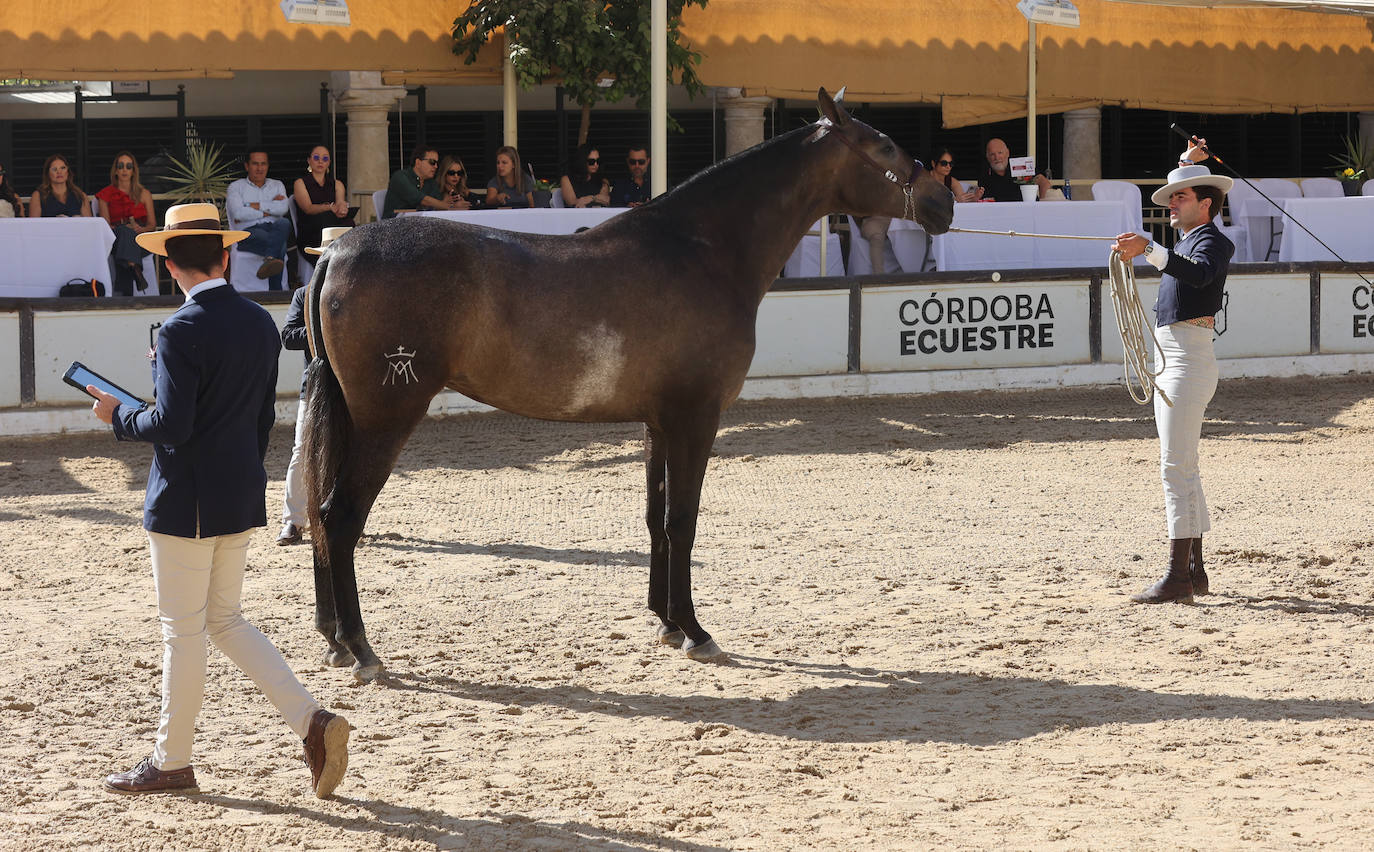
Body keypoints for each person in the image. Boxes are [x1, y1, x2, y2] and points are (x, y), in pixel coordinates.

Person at [86, 202, 351, 798]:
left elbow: (172, 425)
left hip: (187, 498)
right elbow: (261, 419)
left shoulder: (180, 330)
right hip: (236, 490)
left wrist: (118, 415)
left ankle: (172, 760)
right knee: (224, 620)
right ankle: (312, 722)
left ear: (169, 266)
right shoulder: (258, 321)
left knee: (183, 631)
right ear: (225, 256)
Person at [1112, 139, 1234, 605]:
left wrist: (1150, 249)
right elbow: (1185, 261)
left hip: (1187, 358)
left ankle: (1178, 576)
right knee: (1183, 465)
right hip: (1175, 356)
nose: (1171, 204)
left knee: (1175, 466)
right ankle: (1193, 571)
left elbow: (1199, 274)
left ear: (1206, 204)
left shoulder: (1212, 242)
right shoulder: (1191, 241)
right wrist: (1186, 165)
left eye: (1182, 197)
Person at [279, 225, 351, 546]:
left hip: (350, 385)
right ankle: (292, 521)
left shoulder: (361, 298)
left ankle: (341, 517)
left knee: (348, 452)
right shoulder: (303, 295)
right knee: (301, 450)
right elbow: (288, 337)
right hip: (320, 381)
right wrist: (326, 328)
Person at [225, 149, 291, 288]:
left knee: (284, 222)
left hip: (273, 229)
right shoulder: (236, 187)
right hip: (247, 233)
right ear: (247, 166)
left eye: (263, 164)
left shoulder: (277, 185)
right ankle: (276, 291)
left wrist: (251, 205)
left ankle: (270, 259)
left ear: (267, 166)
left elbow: (283, 208)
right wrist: (269, 209)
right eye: (255, 164)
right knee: (280, 245)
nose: (260, 168)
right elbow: (239, 213)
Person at [96, 151, 157, 295]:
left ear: (133, 171)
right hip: (117, 238)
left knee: (128, 234)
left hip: (139, 240)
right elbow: (106, 226)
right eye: (121, 166)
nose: (124, 169)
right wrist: (124, 229)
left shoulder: (144, 194)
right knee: (124, 232)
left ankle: (127, 276)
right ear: (116, 170)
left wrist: (140, 230)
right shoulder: (105, 195)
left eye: (128, 166)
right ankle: (135, 270)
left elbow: (152, 225)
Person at [291, 144, 355, 270]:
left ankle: (348, 261)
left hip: (332, 223)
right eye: (316, 157)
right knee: (322, 222)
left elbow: (340, 203)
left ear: (329, 162)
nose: (321, 161)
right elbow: (307, 208)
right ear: (309, 160)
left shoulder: (337, 184)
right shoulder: (300, 183)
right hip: (311, 228)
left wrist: (341, 209)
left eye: (325, 158)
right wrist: (329, 207)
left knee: (349, 223)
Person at [382, 143, 455, 218]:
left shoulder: (431, 183)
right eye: (432, 162)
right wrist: (450, 207)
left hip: (418, 224)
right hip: (393, 224)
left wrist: (451, 203)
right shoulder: (400, 177)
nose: (436, 166)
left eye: (437, 163)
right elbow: (421, 199)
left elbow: (438, 204)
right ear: (418, 163)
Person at [980, 138, 1051, 203]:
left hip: (1029, 212)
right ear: (988, 157)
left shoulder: (1019, 165)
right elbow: (984, 201)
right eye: (992, 154)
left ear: (1007, 153)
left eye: (1000, 153)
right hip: (1002, 215)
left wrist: (1041, 205)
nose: (997, 157)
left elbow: (1044, 183)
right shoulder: (985, 176)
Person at [28, 154, 91, 218]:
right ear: (48, 174)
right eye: (54, 169)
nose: (59, 172)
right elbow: (34, 225)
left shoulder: (80, 196)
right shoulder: (38, 196)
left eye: (63, 168)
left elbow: (89, 225)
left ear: (68, 171)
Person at [559, 143, 610, 208]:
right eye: (591, 162)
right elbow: (573, 203)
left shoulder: (603, 181)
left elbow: (606, 200)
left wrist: (590, 198)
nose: (596, 164)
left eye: (598, 161)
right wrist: (596, 198)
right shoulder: (566, 179)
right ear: (582, 161)